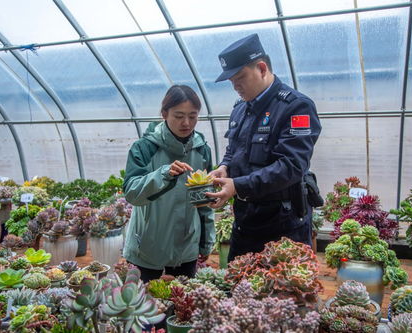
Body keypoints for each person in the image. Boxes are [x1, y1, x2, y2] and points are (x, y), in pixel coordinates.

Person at [207, 33, 322, 262]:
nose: (236, 86)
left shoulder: (296, 107)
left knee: (283, 292)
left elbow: (291, 166)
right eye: (231, 82)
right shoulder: (241, 108)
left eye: (240, 77)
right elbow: (234, 149)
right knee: (238, 287)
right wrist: (225, 167)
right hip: (246, 221)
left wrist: (237, 186)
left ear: (261, 68)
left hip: (283, 224)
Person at [122, 85, 215, 283]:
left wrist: (206, 242)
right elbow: (132, 192)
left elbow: (203, 203)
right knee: (147, 307)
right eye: (179, 116)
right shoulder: (144, 148)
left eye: (193, 116)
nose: (186, 123)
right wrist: (163, 174)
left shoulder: (202, 151)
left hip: (187, 247)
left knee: (182, 307)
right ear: (164, 113)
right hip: (148, 247)